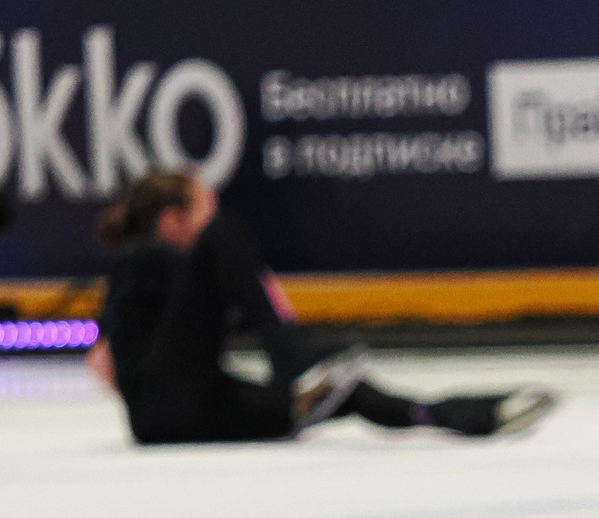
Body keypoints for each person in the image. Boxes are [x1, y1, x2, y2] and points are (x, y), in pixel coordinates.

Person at [90, 169, 557, 446]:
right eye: (200, 212)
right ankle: (296, 365)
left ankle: (460, 415)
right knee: (225, 233)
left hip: (191, 409)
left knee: (341, 391)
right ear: (171, 221)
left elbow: (106, 363)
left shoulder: (147, 275)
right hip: (174, 407)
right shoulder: (145, 257)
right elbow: (110, 362)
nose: (206, 222)